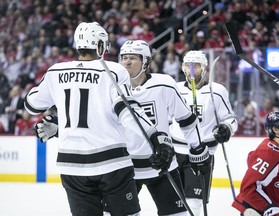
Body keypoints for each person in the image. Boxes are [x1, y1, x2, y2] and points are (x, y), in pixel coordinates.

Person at [24, 22, 174, 216]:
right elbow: (128, 112)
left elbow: (32, 104)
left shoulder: (55, 71)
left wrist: (59, 122)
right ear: (100, 45)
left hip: (72, 165)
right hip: (111, 163)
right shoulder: (112, 71)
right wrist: (156, 137)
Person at [104, 40, 210, 216]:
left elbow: (186, 119)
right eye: (123, 58)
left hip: (164, 164)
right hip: (124, 167)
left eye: (132, 58)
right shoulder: (109, 87)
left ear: (145, 62)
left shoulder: (165, 84)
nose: (126, 62)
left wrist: (197, 148)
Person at [169, 50, 238, 216]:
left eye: (196, 66)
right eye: (188, 65)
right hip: (175, 152)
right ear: (183, 68)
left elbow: (231, 119)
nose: (192, 70)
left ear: (205, 68)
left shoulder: (217, 91)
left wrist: (226, 129)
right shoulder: (174, 89)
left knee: (194, 204)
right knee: (174, 206)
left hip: (202, 153)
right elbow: (166, 118)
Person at [232, 110, 279, 216]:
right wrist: (270, 208)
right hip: (258, 209)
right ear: (277, 130)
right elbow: (249, 188)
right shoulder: (269, 153)